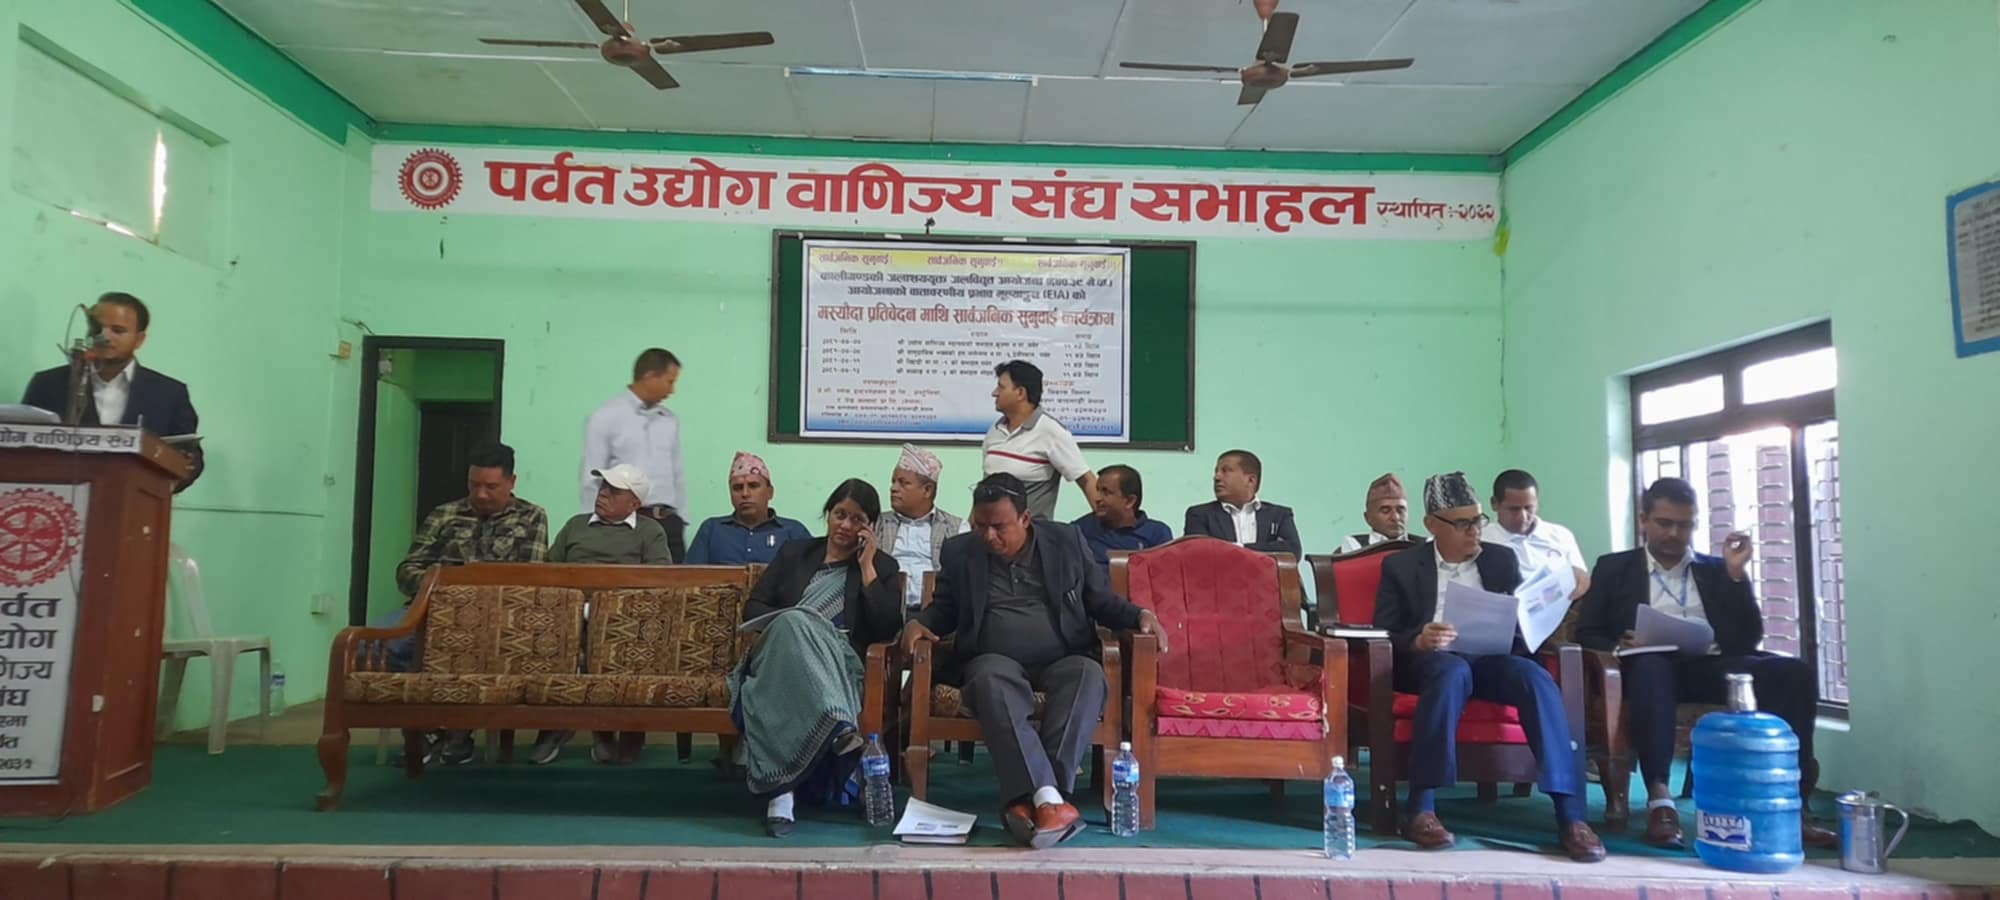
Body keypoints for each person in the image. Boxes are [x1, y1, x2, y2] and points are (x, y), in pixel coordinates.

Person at [900, 473, 1167, 848]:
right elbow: (944, 609)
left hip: (1063, 657)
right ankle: (1051, 801)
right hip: (994, 660)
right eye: (980, 525)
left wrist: (1139, 616)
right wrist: (919, 623)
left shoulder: (1066, 541)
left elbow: (1100, 600)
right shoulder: (961, 551)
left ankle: (1033, 801)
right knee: (990, 681)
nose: (988, 536)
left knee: (1089, 676)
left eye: (999, 527)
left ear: (1025, 519)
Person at [1573, 477, 1837, 849]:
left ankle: (1793, 803)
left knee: (1794, 673)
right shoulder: (1615, 568)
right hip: (1646, 669)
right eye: (1665, 523)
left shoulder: (1715, 570)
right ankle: (1660, 799)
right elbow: (1587, 631)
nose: (1674, 533)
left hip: (1709, 666)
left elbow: (1747, 640)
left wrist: (1735, 576)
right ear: (1644, 520)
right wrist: (1618, 645)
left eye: (1684, 525)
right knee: (1652, 667)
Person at [1374, 472, 1604, 862]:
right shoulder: (1401, 566)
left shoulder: (1500, 560)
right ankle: (1421, 808)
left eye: (1477, 521)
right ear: (1432, 525)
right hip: (1433, 663)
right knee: (1452, 673)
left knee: (1535, 678)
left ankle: (1572, 817)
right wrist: (1419, 639)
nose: (1474, 532)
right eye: (1462, 524)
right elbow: (1384, 631)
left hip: (1491, 659)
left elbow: (1520, 621)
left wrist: (1535, 617)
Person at [732, 479, 903, 838]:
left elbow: (888, 628)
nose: (845, 525)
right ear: (828, 514)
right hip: (779, 652)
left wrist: (867, 567)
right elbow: (755, 606)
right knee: (796, 622)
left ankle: (781, 796)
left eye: (857, 519)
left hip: (839, 663)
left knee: (797, 637)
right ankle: (839, 726)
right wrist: (798, 622)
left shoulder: (882, 566)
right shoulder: (795, 553)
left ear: (870, 527)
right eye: (840, 514)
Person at [389, 442, 549, 766]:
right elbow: (408, 569)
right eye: (474, 485)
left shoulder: (531, 516)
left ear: (511, 482)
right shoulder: (444, 514)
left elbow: (530, 577)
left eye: (491, 486)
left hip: (498, 614)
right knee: (383, 645)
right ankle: (427, 728)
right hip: (433, 609)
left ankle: (456, 731)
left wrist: (473, 600)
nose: (481, 494)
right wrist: (442, 590)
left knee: (475, 645)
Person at [528, 463, 671, 767]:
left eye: (613, 490)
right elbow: (547, 573)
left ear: (634, 503)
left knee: (604, 644)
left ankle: (603, 730)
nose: (603, 493)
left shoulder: (650, 532)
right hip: (567, 614)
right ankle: (555, 726)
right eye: (603, 487)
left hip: (623, 619)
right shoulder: (576, 526)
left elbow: (661, 582)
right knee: (554, 641)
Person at [20, 292, 203, 490]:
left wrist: (167, 480)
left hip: (136, 502)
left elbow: (191, 460)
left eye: (118, 330)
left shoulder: (169, 394)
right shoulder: (48, 384)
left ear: (139, 339)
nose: (105, 336)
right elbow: (19, 448)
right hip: (57, 498)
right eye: (97, 328)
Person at [581, 348, 688, 561]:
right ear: (650, 376)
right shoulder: (606, 416)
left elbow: (677, 474)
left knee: (675, 582)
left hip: (668, 524)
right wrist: (593, 528)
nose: (672, 390)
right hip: (626, 524)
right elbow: (591, 479)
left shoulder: (669, 420)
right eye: (669, 381)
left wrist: (681, 519)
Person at [982, 360, 1095, 520]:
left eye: (1001, 387)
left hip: (1032, 532)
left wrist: (1105, 527)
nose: (994, 393)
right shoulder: (995, 430)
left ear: (1020, 393)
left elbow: (1087, 480)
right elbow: (984, 490)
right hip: (989, 530)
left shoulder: (1052, 432)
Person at [875, 444, 967, 609]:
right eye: (893, 482)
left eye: (903, 483)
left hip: (937, 616)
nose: (893, 488)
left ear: (927, 490)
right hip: (884, 614)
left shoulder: (957, 529)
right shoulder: (876, 524)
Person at [685, 452, 812, 565]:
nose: (745, 494)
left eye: (753, 486)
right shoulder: (712, 530)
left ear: (770, 492)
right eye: (737, 488)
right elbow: (689, 577)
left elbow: (815, 577)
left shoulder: (793, 532)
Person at [1182, 450, 1302, 558]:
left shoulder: (1279, 515)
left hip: (1268, 576)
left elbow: (1292, 551)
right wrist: (1264, 548)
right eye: (1216, 471)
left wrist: (1239, 548)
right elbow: (1199, 553)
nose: (1216, 477)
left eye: (1225, 471)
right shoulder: (1199, 515)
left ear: (1251, 480)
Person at [1069, 464, 1172, 570]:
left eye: (1106, 492)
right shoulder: (1079, 530)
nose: (1097, 498)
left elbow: (1164, 575)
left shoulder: (1157, 534)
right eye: (1097, 490)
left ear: (1129, 501)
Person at [1338, 473, 1413, 552]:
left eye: (1401, 511)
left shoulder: (1420, 545)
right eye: (1385, 511)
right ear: (1367, 518)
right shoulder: (1355, 546)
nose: (1395, 517)